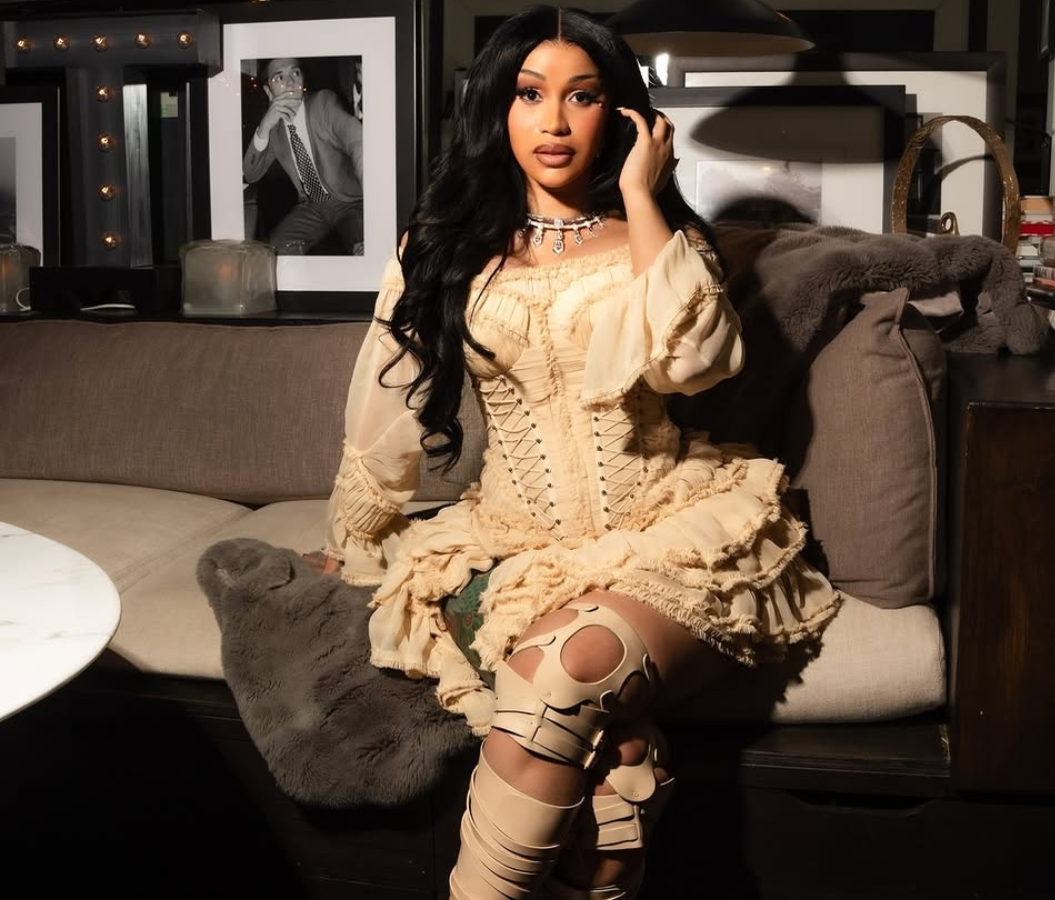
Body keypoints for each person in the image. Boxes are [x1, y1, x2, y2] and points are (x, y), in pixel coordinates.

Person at [307, 7, 841, 898]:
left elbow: (695, 364)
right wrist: (353, 534)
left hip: (667, 530)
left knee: (563, 670)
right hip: (514, 539)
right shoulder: (442, 248)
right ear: (496, 108)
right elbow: (386, 401)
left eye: (582, 97)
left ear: (621, 113)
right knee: (606, 777)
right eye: (529, 94)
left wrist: (641, 194)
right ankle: (623, 769)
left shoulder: (663, 241)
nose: (553, 121)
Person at [243, 57, 365, 256]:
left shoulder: (323, 104)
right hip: (313, 206)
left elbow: (356, 139)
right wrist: (264, 127)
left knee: (363, 248)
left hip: (350, 202)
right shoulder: (275, 130)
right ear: (268, 91)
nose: (290, 82)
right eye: (279, 77)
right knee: (274, 253)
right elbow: (251, 173)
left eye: (295, 73)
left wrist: (374, 192)